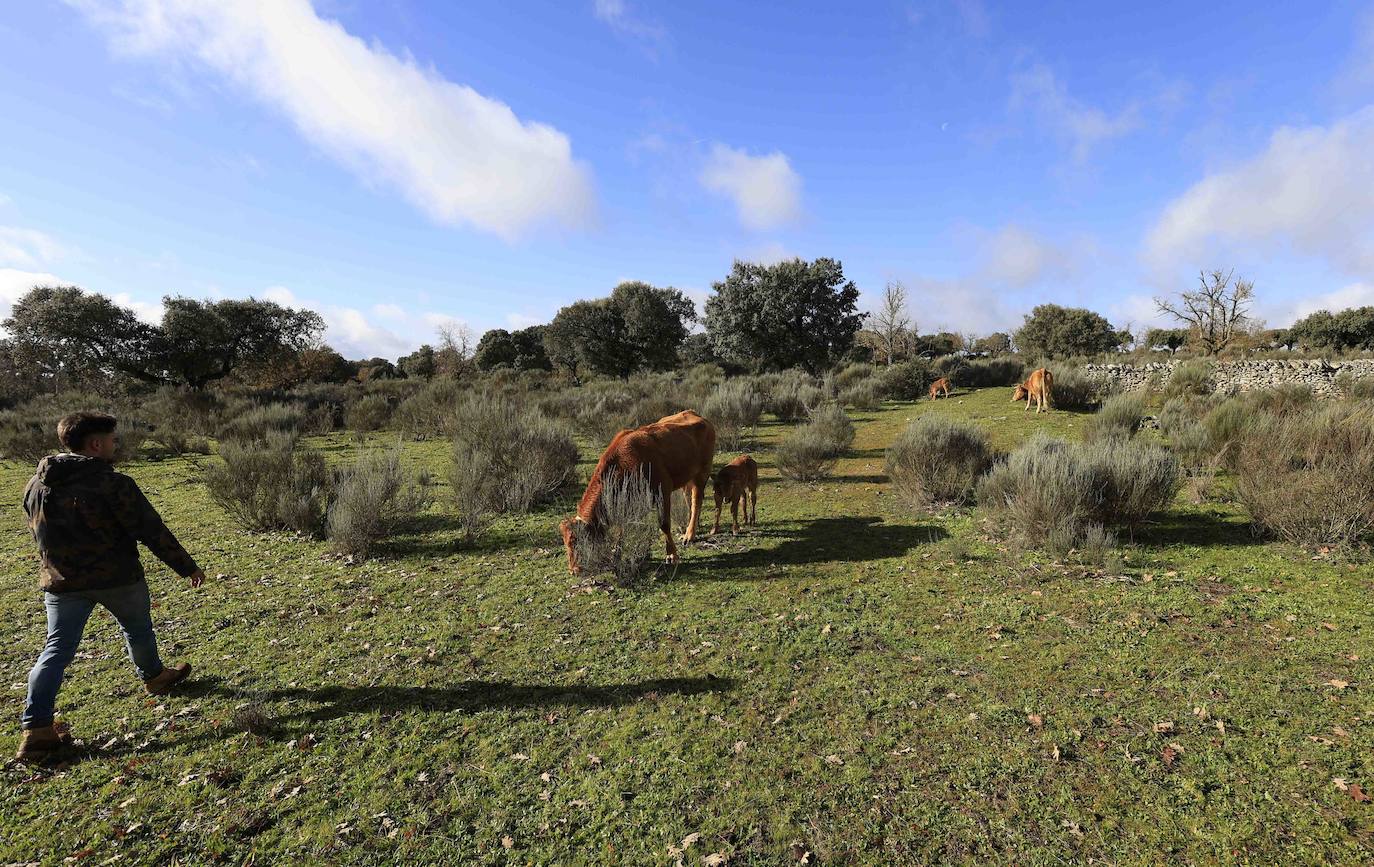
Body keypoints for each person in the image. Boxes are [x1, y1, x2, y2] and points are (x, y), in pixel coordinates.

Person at [15, 411, 207, 763]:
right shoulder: (113, 483)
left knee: (56, 650)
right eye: (112, 440)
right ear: (96, 444)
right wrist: (186, 566)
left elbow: (37, 532)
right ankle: (154, 677)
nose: (115, 446)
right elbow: (151, 530)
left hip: (61, 582)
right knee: (137, 629)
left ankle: (37, 729)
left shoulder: (35, 485)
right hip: (117, 577)